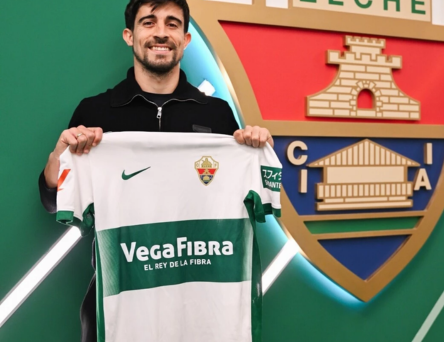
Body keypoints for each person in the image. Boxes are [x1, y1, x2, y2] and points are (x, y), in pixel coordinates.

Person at [38, 0, 273, 340]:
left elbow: (254, 197)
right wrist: (59, 157)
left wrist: (254, 148)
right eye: (149, 23)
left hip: (202, 308)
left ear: (186, 39)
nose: (161, 33)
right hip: (119, 307)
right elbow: (52, 202)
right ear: (129, 36)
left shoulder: (218, 115)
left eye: (172, 24)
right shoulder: (96, 112)